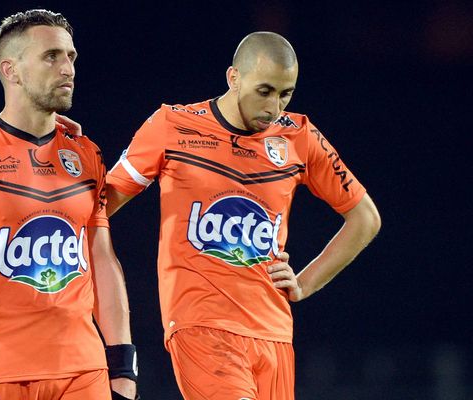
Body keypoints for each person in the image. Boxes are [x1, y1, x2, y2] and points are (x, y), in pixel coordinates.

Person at [105, 31, 381, 399]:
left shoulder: (299, 136)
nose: (274, 107)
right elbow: (100, 207)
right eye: (264, 91)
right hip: (201, 324)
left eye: (286, 94)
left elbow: (365, 218)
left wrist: (306, 282)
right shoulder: (172, 126)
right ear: (233, 77)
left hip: (274, 332)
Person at [0, 9, 137, 400]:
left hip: (83, 372)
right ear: (11, 70)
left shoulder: (86, 153)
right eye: (52, 56)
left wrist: (123, 366)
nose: (67, 68)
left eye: (71, 56)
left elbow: (102, 259)